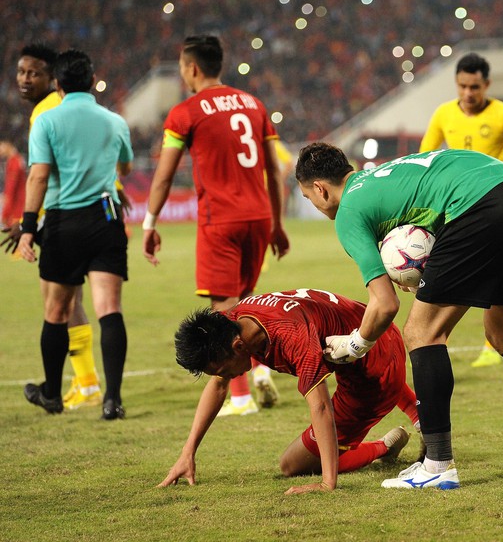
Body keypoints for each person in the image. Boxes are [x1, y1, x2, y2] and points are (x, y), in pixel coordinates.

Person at [295, 142, 503, 490]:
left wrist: (355, 344)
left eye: (308, 198)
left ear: (320, 189)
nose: (314, 205)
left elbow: (384, 304)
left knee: (421, 333)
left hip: (479, 206)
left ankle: (438, 464)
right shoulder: (383, 178)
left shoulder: (349, 210)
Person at [142, 35, 290, 416]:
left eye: (181, 69)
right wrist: (277, 223)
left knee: (224, 309)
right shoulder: (254, 104)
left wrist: (149, 222)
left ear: (192, 68)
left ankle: (239, 398)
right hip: (258, 216)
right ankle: (258, 373)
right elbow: (274, 170)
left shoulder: (186, 112)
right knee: (246, 301)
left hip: (220, 219)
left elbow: (163, 176)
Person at [159, 288, 421, 494]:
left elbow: (319, 407)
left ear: (238, 347)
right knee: (340, 358)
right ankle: (420, 416)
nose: (224, 377)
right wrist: (187, 452)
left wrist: (327, 484)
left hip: (376, 365)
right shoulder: (231, 322)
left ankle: (382, 447)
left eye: (222, 369)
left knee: (292, 464)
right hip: (370, 329)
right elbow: (218, 385)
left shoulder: (290, 336)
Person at [18, 49, 134, 420]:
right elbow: (126, 167)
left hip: (64, 222)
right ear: (91, 80)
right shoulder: (114, 120)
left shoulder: (47, 121)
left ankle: (52, 393)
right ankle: (112, 400)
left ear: (57, 83)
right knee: (109, 308)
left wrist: (26, 227)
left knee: (56, 310)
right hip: (106, 217)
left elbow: (38, 176)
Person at [419, 52, 503, 368]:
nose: (468, 93)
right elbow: (425, 157)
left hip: (493, 206)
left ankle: (495, 343)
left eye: (475, 87)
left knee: (498, 273)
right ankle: (434, 341)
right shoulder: (443, 114)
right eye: (463, 86)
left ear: (487, 85)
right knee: (438, 273)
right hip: (454, 207)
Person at [3, 43, 105, 410]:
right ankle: (88, 382)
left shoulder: (47, 111)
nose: (25, 79)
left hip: (64, 217)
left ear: (53, 78)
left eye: (34, 73)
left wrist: (33, 224)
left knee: (60, 302)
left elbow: (48, 175)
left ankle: (86, 384)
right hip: (84, 214)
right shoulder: (57, 107)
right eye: (21, 72)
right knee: (73, 301)